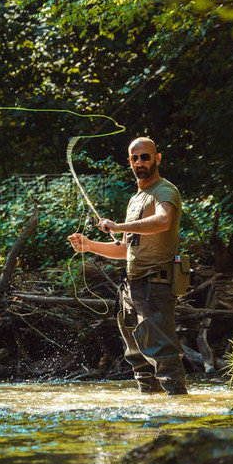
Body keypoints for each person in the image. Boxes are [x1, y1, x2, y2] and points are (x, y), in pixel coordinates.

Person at [67, 137, 187, 395]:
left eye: (145, 156)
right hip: (132, 288)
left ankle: (181, 412)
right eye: (135, 158)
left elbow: (164, 221)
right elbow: (125, 249)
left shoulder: (164, 191)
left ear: (157, 159)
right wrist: (89, 245)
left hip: (156, 284)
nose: (140, 162)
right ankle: (151, 405)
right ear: (129, 162)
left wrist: (119, 226)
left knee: (163, 353)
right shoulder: (135, 200)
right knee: (138, 357)